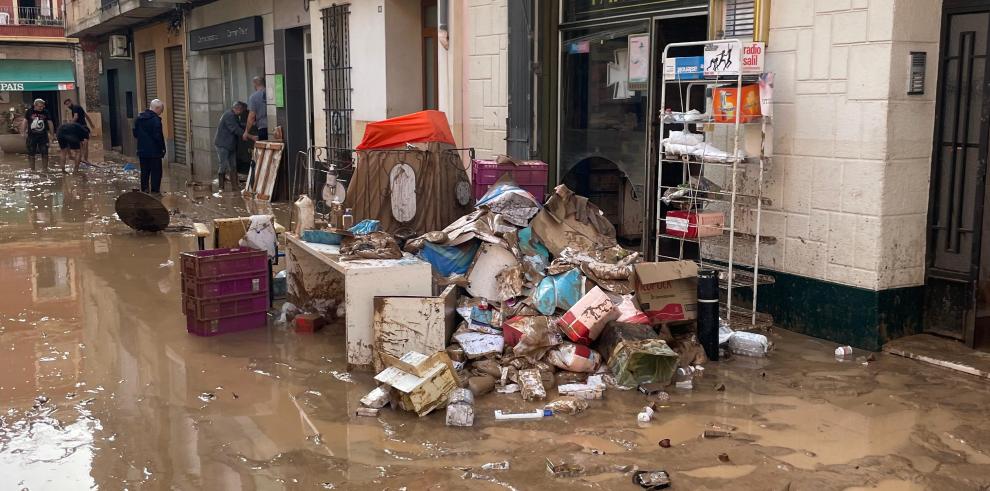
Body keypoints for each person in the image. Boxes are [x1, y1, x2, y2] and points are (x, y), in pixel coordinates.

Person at [133, 99, 166, 194]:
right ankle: (155, 192)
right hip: (154, 152)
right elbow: (158, 136)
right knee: (156, 173)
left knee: (144, 172)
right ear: (157, 108)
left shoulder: (139, 118)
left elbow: (135, 134)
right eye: (161, 110)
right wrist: (162, 149)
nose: (162, 112)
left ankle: (144, 190)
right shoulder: (156, 120)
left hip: (142, 151)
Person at [214, 101, 248, 191]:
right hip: (223, 145)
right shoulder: (229, 115)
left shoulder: (234, 115)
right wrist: (248, 135)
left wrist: (248, 126)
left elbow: (239, 126)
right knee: (223, 165)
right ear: (238, 109)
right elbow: (235, 129)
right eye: (242, 111)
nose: (242, 113)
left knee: (233, 165)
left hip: (230, 145)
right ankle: (221, 187)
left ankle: (235, 186)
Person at [21, 99, 54, 172]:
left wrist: (52, 134)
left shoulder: (46, 112)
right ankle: (32, 170)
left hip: (43, 136)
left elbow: (50, 122)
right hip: (31, 136)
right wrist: (22, 132)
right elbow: (25, 121)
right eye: (40, 106)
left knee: (45, 153)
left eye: (43, 106)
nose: (41, 108)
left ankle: (45, 169)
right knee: (31, 154)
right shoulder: (29, 111)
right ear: (35, 105)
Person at [63, 98, 95, 164]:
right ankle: (83, 159)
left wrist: (69, 125)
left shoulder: (75, 107)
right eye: (66, 104)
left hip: (81, 127)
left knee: (84, 143)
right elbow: (86, 115)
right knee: (82, 143)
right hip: (79, 128)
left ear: (71, 102)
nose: (68, 105)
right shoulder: (77, 108)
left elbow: (76, 117)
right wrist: (91, 124)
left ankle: (84, 159)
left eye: (68, 103)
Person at [244, 76, 268, 142]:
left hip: (263, 128)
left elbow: (251, 116)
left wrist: (246, 131)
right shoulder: (272, 93)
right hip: (276, 128)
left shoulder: (254, 97)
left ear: (254, 84)